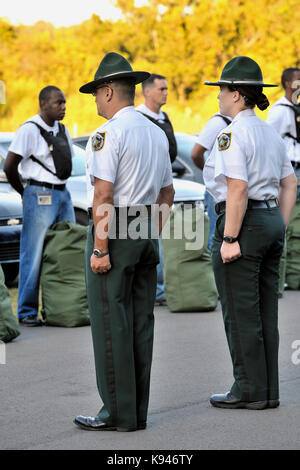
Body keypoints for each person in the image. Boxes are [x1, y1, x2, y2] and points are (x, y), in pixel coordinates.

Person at [74, 52, 174, 432]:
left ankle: (116, 413)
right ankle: (137, 411)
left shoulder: (108, 133)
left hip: (114, 229)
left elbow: (103, 196)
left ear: (109, 92)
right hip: (145, 227)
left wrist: (100, 248)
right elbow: (168, 191)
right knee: (140, 323)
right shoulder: (155, 131)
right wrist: (152, 230)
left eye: (97, 93)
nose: (96, 101)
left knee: (110, 322)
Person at [203, 56, 297, 409]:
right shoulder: (269, 133)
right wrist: (279, 223)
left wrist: (229, 239)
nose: (219, 96)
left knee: (240, 312)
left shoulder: (232, 134)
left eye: (223, 90)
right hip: (270, 218)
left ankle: (248, 390)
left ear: (238, 94)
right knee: (264, 312)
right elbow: (290, 183)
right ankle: (268, 390)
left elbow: (237, 189)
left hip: (244, 222)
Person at [4, 86, 75, 327]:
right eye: (59, 103)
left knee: (67, 250)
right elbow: (9, 166)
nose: (64, 107)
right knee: (32, 255)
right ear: (43, 103)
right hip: (39, 192)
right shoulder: (29, 129)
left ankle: (63, 308)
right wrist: (25, 192)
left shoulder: (62, 129)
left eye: (64, 103)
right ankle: (26, 312)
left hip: (63, 193)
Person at [136, 74, 177, 305]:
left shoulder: (164, 116)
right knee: (148, 238)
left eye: (167, 88)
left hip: (165, 183)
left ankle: (158, 291)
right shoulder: (140, 118)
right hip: (148, 188)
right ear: (147, 92)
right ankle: (151, 291)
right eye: (161, 89)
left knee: (157, 236)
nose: (165, 92)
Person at [191, 113, 232, 249]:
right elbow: (196, 153)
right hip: (218, 193)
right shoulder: (219, 122)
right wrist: (210, 173)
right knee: (216, 241)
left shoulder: (239, 122)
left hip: (234, 192)